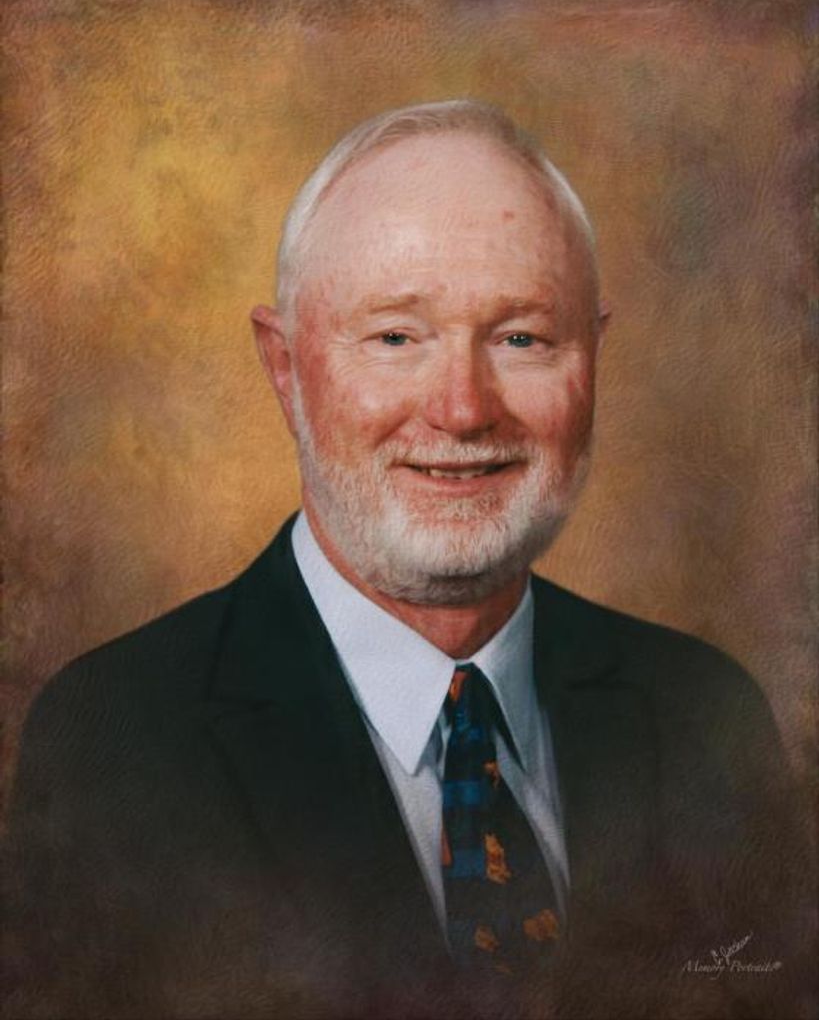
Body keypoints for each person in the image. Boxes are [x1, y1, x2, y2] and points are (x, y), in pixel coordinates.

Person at [4, 100, 805, 1020]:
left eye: (521, 338)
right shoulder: (113, 741)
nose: (462, 409)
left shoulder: (708, 714)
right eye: (394, 338)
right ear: (284, 367)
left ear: (591, 358)